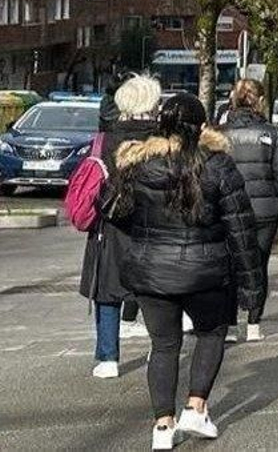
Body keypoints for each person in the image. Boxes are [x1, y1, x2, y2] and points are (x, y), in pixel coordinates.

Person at [107, 93, 263, 450]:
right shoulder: (218, 166)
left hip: (150, 273)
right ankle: (196, 406)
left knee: (163, 346)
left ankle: (162, 428)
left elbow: (111, 209)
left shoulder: (139, 163)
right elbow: (241, 228)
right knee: (211, 334)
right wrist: (252, 287)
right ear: (202, 126)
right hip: (205, 272)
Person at [80, 74, 161, 380]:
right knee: (155, 290)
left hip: (110, 224)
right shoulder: (161, 141)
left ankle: (107, 356)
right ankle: (160, 346)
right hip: (153, 225)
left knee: (107, 291)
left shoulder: (104, 139)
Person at [219, 79, 278, 342]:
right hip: (264, 212)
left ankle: (229, 324)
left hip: (228, 210)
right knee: (259, 264)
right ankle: (254, 323)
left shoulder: (220, 134)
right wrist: (273, 195)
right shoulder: (273, 134)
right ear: (260, 100)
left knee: (229, 267)